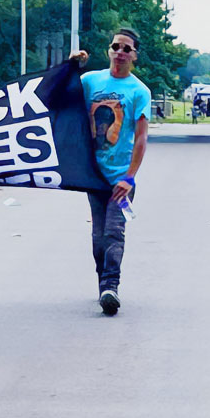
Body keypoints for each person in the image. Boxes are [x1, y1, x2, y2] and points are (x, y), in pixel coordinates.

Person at [72, 28, 150, 316]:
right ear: (109, 50)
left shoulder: (139, 91)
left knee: (114, 233)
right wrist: (72, 65)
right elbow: (60, 94)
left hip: (120, 179)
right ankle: (103, 285)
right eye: (116, 46)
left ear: (134, 56)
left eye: (127, 49)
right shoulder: (90, 81)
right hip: (94, 176)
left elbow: (141, 138)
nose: (120, 52)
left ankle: (111, 287)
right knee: (98, 238)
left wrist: (129, 178)